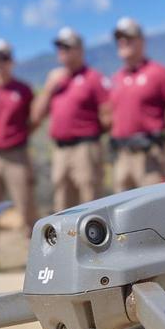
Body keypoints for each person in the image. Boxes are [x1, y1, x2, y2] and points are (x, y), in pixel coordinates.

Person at [0, 39, 39, 268]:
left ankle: (37, 259)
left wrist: (19, 138)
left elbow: (33, 119)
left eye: (4, 57)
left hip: (17, 155)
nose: (0, 62)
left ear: (12, 60)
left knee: (26, 207)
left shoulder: (23, 91)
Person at [31, 27, 110, 212]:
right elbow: (36, 115)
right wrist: (49, 88)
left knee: (91, 202)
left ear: (80, 50)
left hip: (85, 149)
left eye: (67, 47)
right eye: (59, 47)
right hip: (60, 150)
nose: (62, 51)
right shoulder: (55, 80)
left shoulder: (93, 77)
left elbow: (107, 117)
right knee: (63, 205)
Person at [106, 16, 165, 191]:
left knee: (154, 210)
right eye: (119, 38)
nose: (123, 42)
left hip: (149, 156)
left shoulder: (158, 73)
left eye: (128, 37)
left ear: (141, 41)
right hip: (122, 157)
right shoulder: (116, 79)